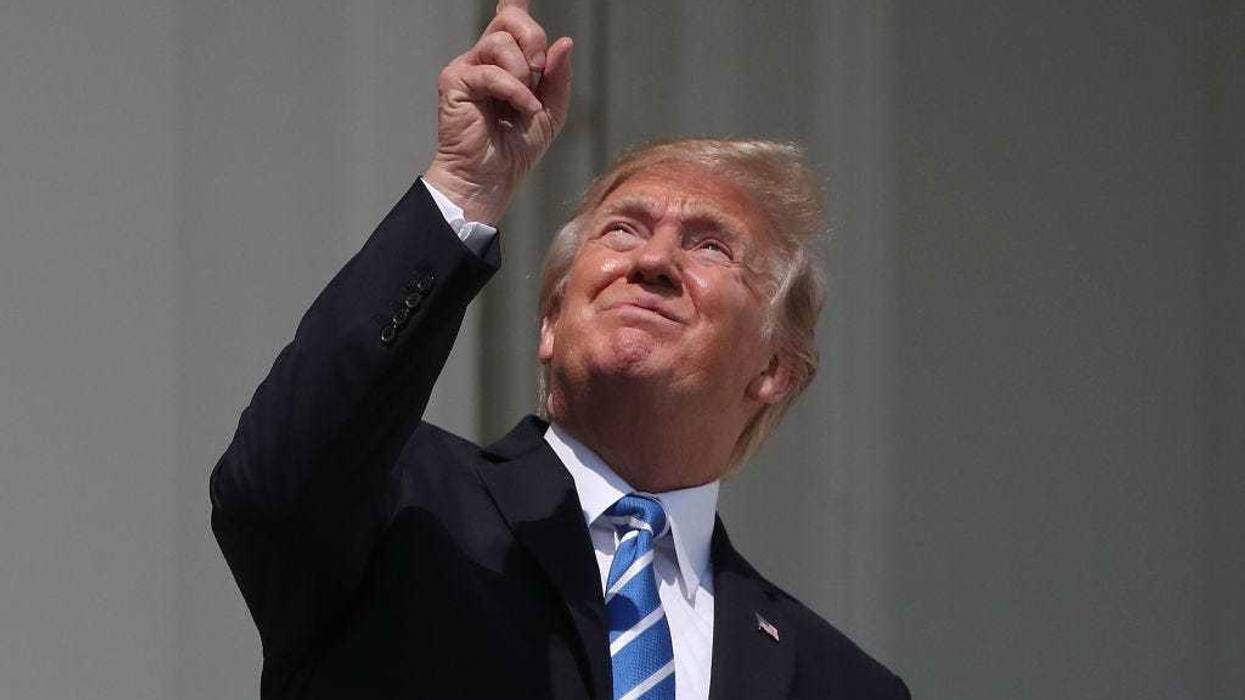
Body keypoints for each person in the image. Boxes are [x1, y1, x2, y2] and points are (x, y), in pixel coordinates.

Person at [210, 1, 910, 698]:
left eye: (708, 245)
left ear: (774, 369)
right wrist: (464, 186)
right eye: (622, 232)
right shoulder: (404, 502)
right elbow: (267, 486)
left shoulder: (838, 682)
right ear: (549, 322)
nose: (654, 260)